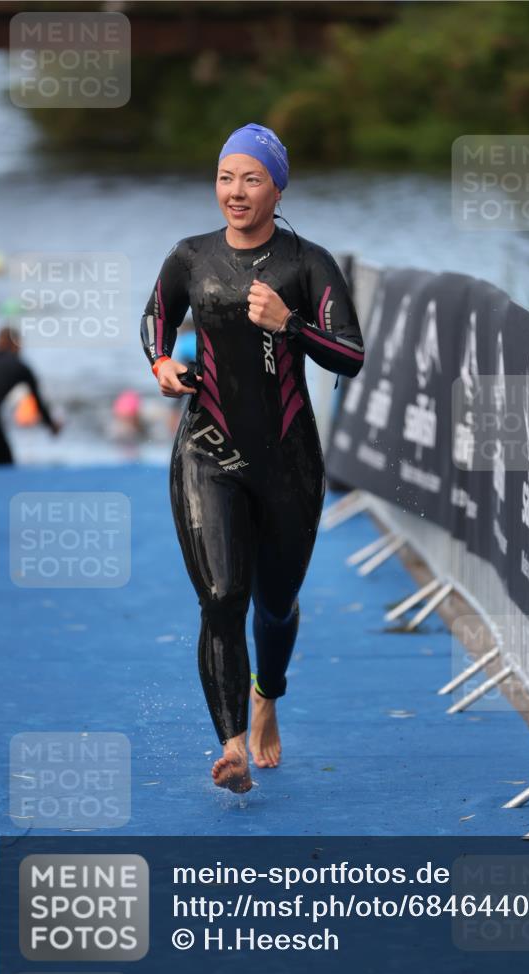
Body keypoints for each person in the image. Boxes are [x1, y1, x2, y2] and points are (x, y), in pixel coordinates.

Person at [140, 122, 364, 793]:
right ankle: (231, 744)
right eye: (225, 177)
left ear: (277, 186)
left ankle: (267, 694)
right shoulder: (189, 256)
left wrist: (289, 324)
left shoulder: (307, 263)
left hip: (289, 462)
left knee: (273, 603)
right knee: (220, 596)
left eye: (251, 178)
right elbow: (155, 314)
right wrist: (158, 361)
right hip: (207, 448)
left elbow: (351, 357)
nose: (234, 192)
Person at [0, 326, 61, 465]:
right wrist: (51, 425)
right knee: (4, 466)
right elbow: (38, 402)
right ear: (16, 344)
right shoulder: (20, 366)